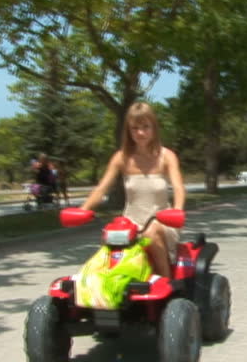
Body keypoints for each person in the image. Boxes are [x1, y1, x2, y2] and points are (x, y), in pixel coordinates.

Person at [79, 102, 186, 278]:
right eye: (135, 128)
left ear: (154, 127)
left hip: (163, 221)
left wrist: (178, 210)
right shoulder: (121, 157)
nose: (141, 133)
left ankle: (166, 282)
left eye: (146, 127)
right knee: (109, 238)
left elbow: (178, 187)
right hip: (132, 222)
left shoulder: (167, 156)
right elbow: (101, 189)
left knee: (152, 232)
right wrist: (83, 210)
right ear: (129, 130)